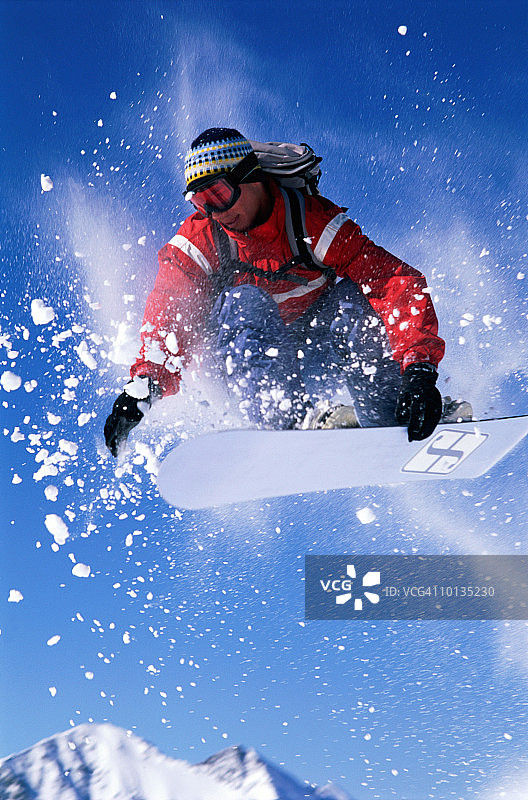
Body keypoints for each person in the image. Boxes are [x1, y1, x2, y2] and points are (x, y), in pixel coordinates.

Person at [104, 127, 451, 458]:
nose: (216, 212)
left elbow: (391, 282)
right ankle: (290, 425)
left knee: (353, 300)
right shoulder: (201, 240)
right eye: (202, 203)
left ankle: (394, 411)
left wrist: (419, 371)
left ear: (251, 176)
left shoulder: (311, 222)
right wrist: (143, 390)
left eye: (220, 195)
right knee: (243, 301)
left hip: (316, 347)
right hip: (245, 362)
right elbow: (171, 311)